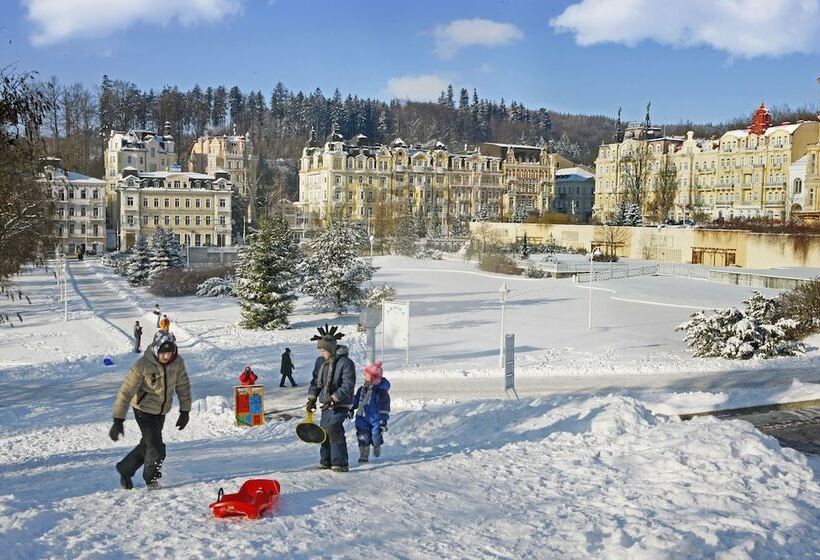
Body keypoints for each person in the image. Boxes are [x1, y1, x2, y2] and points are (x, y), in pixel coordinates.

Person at [109, 331, 191, 489]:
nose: (166, 356)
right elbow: (126, 392)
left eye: (170, 352)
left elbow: (183, 386)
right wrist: (118, 420)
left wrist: (185, 411)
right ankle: (152, 480)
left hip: (161, 411)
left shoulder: (177, 362)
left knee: (147, 444)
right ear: (156, 349)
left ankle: (125, 469)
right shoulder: (142, 365)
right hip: (143, 410)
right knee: (157, 448)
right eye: (163, 353)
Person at [306, 325, 355, 472]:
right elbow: (315, 381)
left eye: (324, 351)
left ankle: (340, 463)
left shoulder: (346, 363)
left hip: (341, 403)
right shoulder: (320, 362)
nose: (322, 354)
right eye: (320, 351)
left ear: (331, 349)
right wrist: (312, 398)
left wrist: (334, 398)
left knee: (334, 428)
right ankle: (325, 461)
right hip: (326, 403)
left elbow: (348, 384)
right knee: (324, 431)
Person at [352, 361, 390, 463]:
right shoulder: (362, 389)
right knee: (362, 436)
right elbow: (356, 400)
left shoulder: (381, 392)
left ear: (374, 378)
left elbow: (384, 407)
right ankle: (364, 456)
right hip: (362, 418)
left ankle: (377, 444)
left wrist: (383, 421)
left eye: (366, 376)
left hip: (376, 419)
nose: (364, 378)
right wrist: (350, 405)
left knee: (375, 435)